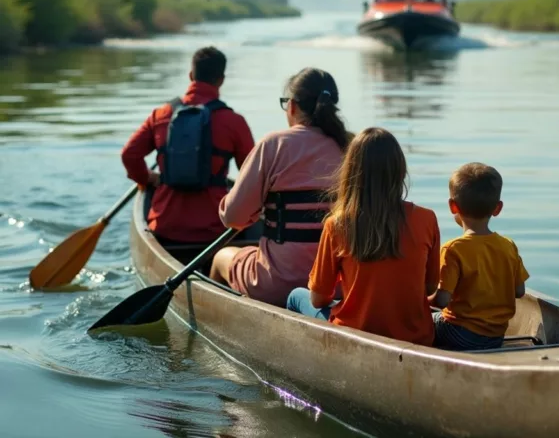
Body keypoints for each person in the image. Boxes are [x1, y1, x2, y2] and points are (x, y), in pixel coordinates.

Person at [286, 127, 440, 347]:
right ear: (400, 170)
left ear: (350, 172)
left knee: (295, 296)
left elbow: (318, 299)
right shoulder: (427, 219)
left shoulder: (337, 225)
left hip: (356, 336)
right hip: (417, 338)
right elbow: (430, 287)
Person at [209, 67, 350, 307]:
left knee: (221, 257)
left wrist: (251, 210)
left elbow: (233, 218)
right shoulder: (353, 147)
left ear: (292, 106)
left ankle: (216, 323)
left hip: (277, 283)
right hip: (339, 285)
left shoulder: (273, 145)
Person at [121, 46, 254, 246]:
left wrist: (147, 178)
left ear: (191, 75)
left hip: (165, 226)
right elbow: (252, 179)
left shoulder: (161, 114)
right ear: (221, 79)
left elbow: (129, 155)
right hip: (216, 229)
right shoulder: (234, 121)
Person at [429, 163, 529, 351]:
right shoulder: (508, 246)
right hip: (496, 336)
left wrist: (421, 300)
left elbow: (442, 301)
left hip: (458, 334)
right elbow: (519, 291)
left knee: (425, 319)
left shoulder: (453, 249)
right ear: (497, 208)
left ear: (453, 206)